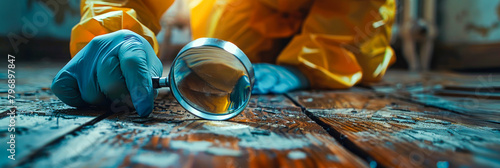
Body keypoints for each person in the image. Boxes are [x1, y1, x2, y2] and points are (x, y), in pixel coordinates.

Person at [51, 0, 396, 117]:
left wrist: (309, 65)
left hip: (335, 21)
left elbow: (366, 12)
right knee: (217, 63)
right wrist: (118, 29)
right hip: (230, 21)